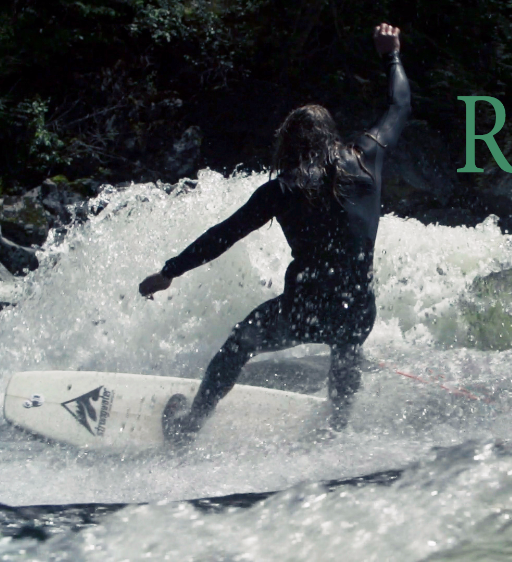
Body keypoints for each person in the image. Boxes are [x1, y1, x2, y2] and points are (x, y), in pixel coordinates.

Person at [139, 23, 410, 445]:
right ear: (330, 137)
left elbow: (223, 235)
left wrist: (170, 271)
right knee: (346, 353)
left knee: (239, 344)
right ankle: (335, 434)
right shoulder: (366, 156)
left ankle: (191, 425)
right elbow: (399, 105)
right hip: (359, 306)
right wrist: (391, 54)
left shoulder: (282, 189)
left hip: (306, 306)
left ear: (289, 146)